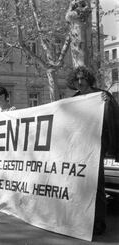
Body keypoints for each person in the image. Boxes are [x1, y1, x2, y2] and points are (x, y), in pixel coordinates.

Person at [67, 66, 119, 236]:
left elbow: (114, 118)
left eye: (83, 79)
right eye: (77, 80)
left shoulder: (102, 95)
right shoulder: (73, 99)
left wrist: (108, 103)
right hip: (79, 149)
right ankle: (82, 219)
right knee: (80, 185)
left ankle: (98, 223)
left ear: (89, 79)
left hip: (96, 147)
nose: (80, 82)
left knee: (97, 186)